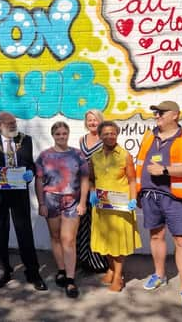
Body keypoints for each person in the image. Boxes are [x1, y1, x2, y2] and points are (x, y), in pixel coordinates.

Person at [135, 100, 182, 312]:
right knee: (155, 236)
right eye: (155, 112)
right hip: (150, 195)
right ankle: (159, 275)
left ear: (175, 115)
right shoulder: (149, 135)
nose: (157, 115)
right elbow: (139, 163)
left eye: (161, 112)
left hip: (177, 198)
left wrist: (165, 170)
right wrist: (138, 191)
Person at [0, 111, 47, 291]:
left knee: (25, 233)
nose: (13, 125)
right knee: (1, 233)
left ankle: (32, 272)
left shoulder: (26, 140)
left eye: (14, 122)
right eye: (9, 123)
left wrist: (30, 173)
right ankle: (3, 270)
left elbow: (30, 163)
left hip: (19, 193)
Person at [35, 121, 90, 298]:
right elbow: (38, 181)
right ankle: (60, 269)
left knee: (69, 239)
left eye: (64, 133)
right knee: (56, 237)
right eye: (58, 134)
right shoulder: (44, 156)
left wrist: (82, 202)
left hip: (72, 201)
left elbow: (84, 180)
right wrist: (41, 203)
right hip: (51, 201)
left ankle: (70, 278)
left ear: (68, 134)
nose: (61, 136)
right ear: (53, 135)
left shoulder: (77, 155)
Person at [88, 121, 142, 292]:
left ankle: (118, 276)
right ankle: (111, 269)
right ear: (100, 135)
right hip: (102, 206)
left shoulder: (124, 155)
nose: (109, 136)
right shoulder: (94, 157)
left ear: (117, 134)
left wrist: (133, 199)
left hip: (120, 206)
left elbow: (132, 180)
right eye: (106, 133)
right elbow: (91, 179)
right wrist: (92, 192)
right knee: (106, 240)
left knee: (118, 242)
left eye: (113, 133)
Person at [77, 109, 109, 272]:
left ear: (100, 121)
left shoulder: (105, 140)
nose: (92, 123)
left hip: (99, 188)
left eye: (95, 120)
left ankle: (98, 262)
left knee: (98, 225)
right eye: (89, 120)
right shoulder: (82, 139)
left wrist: (95, 188)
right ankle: (83, 259)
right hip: (83, 188)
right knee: (84, 224)